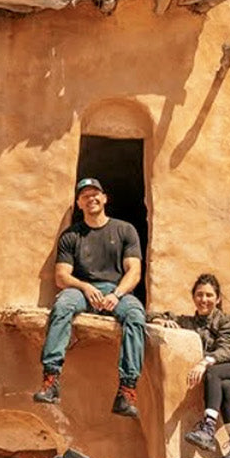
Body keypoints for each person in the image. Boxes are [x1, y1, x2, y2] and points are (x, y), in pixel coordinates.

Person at [34, 177, 146, 418]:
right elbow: (62, 277)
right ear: (79, 203)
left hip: (117, 291)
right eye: (85, 196)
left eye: (95, 194)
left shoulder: (124, 230)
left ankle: (127, 391)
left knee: (136, 315)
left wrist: (117, 294)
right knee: (63, 304)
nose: (91, 198)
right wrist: (85, 287)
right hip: (82, 291)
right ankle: (51, 380)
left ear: (105, 198)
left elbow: (134, 272)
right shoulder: (71, 236)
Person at [150, 272, 230, 458]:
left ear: (218, 299)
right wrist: (161, 321)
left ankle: (207, 428)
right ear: (194, 297)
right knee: (225, 385)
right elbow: (149, 315)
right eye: (200, 295)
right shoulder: (189, 323)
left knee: (213, 372)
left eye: (209, 295)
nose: (204, 300)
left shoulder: (229, 323)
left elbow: (226, 349)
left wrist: (205, 362)